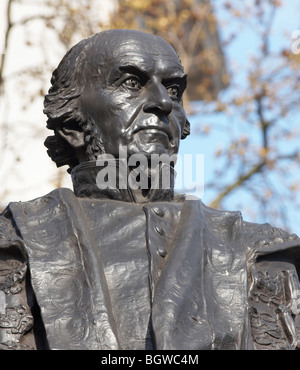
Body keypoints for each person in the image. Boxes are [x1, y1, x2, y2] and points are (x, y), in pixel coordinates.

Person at [0, 29, 299, 350]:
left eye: (173, 90)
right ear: (73, 125)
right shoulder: (14, 241)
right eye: (131, 83)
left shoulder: (260, 252)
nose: (162, 103)